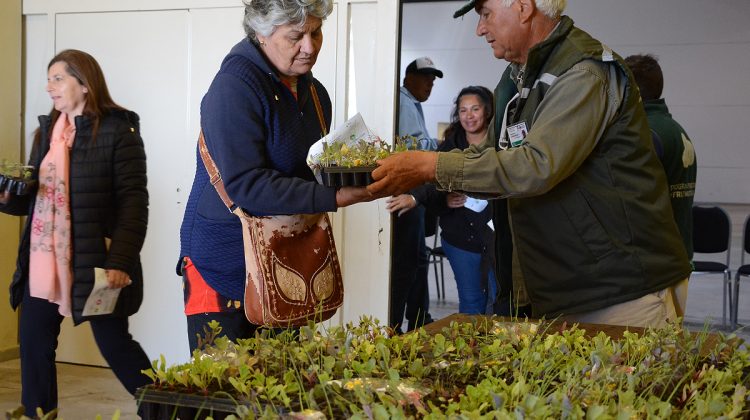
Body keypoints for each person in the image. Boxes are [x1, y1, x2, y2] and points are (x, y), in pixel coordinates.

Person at [368, 0, 692, 328]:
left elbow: (535, 166)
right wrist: (411, 171)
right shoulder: (516, 81)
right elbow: (490, 156)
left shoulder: (583, 71)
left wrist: (429, 166)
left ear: (523, 7)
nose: (480, 29)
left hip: (620, 292)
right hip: (565, 290)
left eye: (485, 15)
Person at [178, 0, 371, 352]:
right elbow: (247, 185)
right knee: (227, 393)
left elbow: (307, 168)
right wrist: (335, 197)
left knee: (283, 386)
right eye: (296, 36)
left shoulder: (314, 93)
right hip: (224, 264)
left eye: (316, 32)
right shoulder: (233, 88)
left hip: (284, 256)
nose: (310, 47)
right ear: (261, 34)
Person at [0, 49, 152, 414]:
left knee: (114, 343)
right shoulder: (47, 133)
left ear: (84, 84)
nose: (49, 86)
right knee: (34, 342)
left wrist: (121, 262)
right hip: (43, 259)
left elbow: (134, 204)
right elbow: (35, 201)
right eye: (48, 79)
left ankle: (167, 408)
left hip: (96, 260)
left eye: (58, 78)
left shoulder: (118, 131)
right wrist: (9, 193)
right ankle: (39, 412)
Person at [390, 86, 501, 315]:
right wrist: (438, 200)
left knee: (499, 300)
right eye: (463, 110)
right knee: (471, 302)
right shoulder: (449, 146)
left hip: (497, 239)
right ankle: (472, 351)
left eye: (475, 109)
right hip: (460, 239)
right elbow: (432, 184)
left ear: (487, 111)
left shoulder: (501, 143)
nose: (468, 116)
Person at [387, 57, 444, 332]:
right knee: (408, 260)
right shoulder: (403, 101)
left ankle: (419, 318)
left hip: (414, 188)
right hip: (407, 188)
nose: (429, 85)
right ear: (408, 77)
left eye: (432, 81)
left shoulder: (412, 103)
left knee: (418, 258)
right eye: (425, 79)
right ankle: (397, 323)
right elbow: (416, 144)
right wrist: (440, 148)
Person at [625, 54, 697, 260]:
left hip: (653, 262)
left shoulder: (644, 133)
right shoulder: (675, 129)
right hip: (676, 255)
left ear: (634, 92)